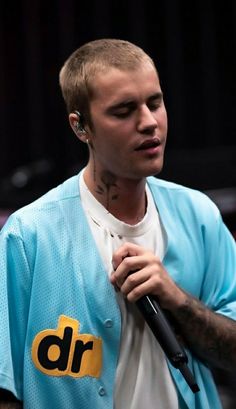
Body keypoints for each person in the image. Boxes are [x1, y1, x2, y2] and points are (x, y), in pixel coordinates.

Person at [0, 38, 236, 409]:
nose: (148, 122)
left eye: (154, 103)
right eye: (124, 111)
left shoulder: (199, 215)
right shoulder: (28, 237)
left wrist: (179, 302)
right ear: (81, 128)